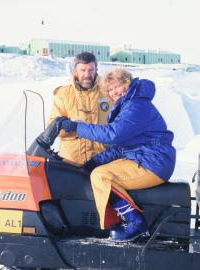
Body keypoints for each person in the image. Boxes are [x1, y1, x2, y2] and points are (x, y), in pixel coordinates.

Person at [60, 68, 176, 241]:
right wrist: (92, 163)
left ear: (127, 83)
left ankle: (135, 223)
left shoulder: (136, 104)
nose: (115, 92)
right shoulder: (129, 104)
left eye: (118, 86)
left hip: (153, 161)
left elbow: (113, 134)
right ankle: (126, 221)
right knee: (97, 170)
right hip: (146, 157)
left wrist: (77, 126)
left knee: (101, 176)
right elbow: (120, 147)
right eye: (111, 90)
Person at [48, 52, 111, 165]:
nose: (87, 74)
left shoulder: (109, 91)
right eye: (82, 70)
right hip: (71, 161)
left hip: (102, 159)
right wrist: (73, 128)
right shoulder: (63, 94)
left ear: (96, 70)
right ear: (75, 71)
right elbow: (53, 127)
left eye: (90, 70)